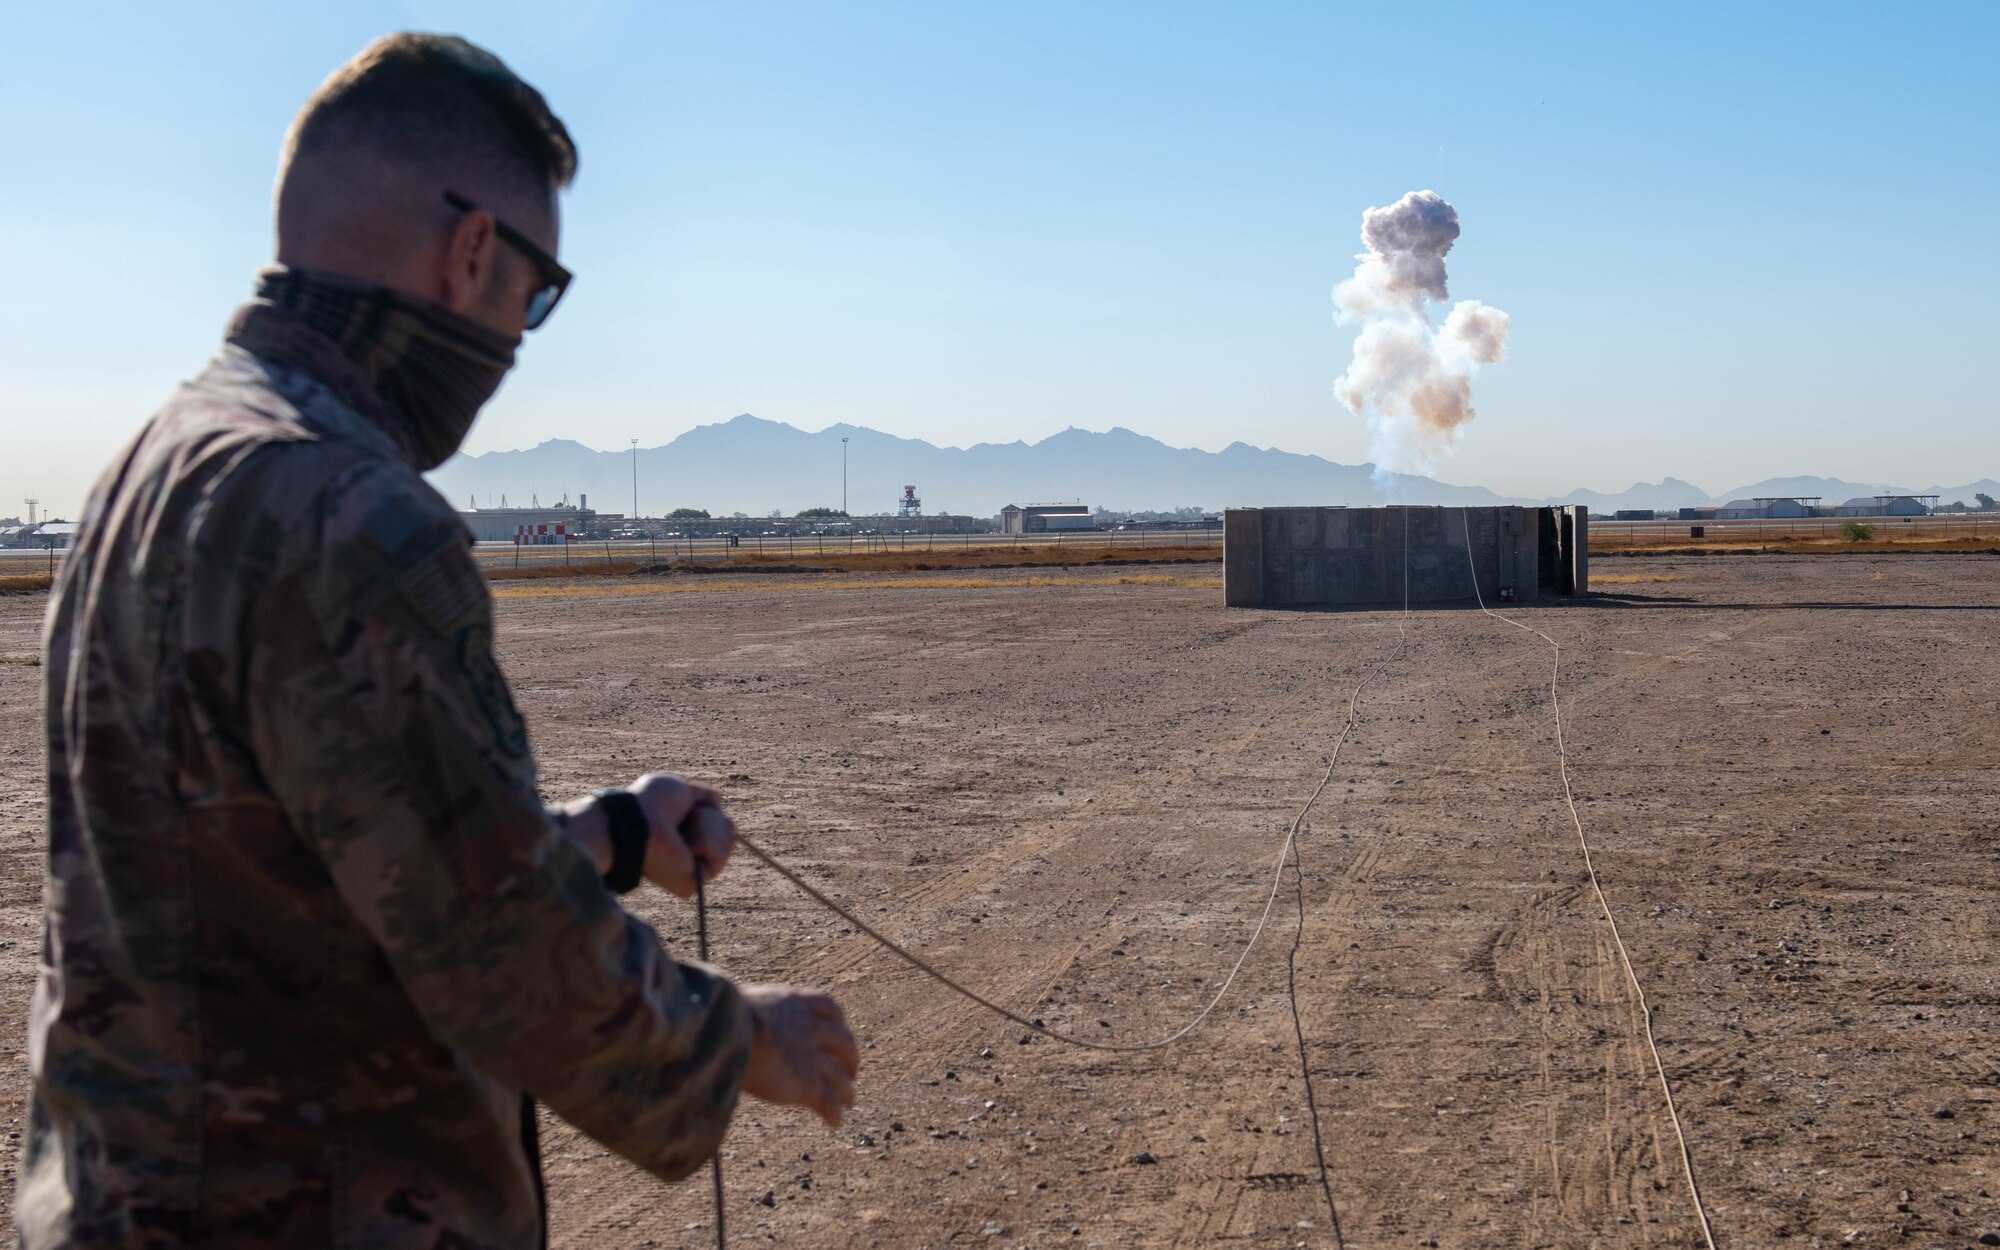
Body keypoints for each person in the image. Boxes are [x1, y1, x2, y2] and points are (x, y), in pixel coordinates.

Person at [22, 33, 858, 1248]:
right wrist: (735, 1037)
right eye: (537, 294)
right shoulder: (344, 511)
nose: (519, 338)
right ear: (473, 252)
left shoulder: (149, 472)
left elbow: (294, 860)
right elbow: (495, 943)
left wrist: (611, 834)